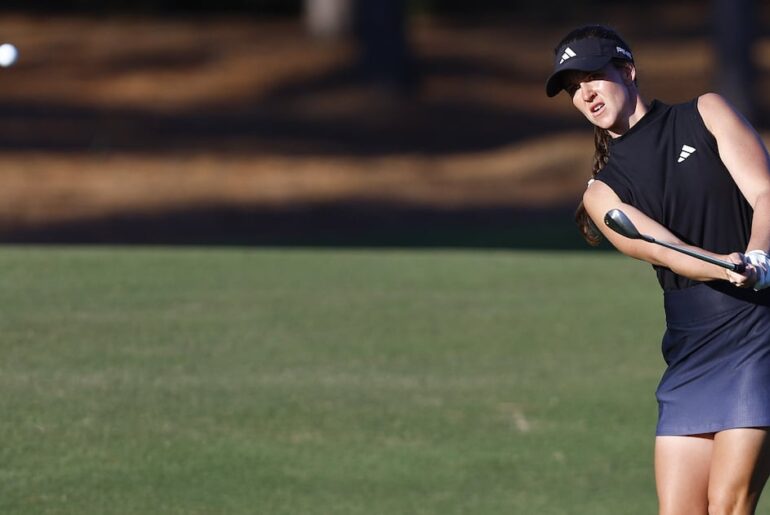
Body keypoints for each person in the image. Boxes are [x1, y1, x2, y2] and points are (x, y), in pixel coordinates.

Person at [546, 25, 770, 514]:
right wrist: (721, 267)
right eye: (572, 86)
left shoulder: (706, 112)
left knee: (728, 504)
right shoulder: (601, 192)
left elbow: (764, 193)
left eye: (593, 76)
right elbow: (663, 250)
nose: (584, 93)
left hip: (757, 327)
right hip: (692, 343)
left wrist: (757, 256)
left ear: (627, 71)